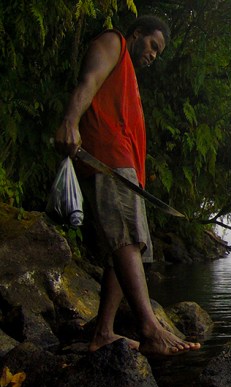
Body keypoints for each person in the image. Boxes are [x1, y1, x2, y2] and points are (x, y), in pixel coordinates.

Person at [54, 15, 200, 356]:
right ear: (136, 34)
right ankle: (149, 328)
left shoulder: (129, 75)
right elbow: (88, 81)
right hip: (109, 155)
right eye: (151, 45)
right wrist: (70, 121)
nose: (152, 55)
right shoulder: (113, 42)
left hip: (126, 167)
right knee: (126, 242)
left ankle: (104, 332)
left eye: (158, 53)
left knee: (127, 247)